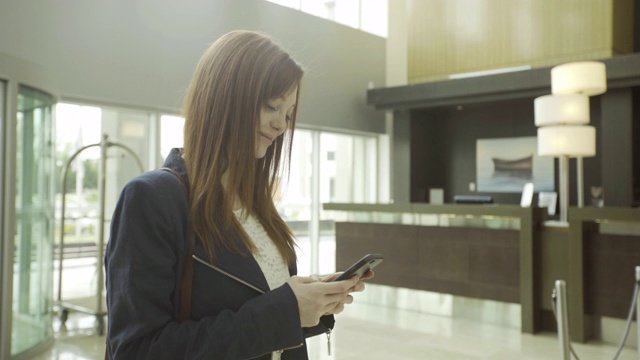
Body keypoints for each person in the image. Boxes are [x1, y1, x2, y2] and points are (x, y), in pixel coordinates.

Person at [104, 30, 373, 359]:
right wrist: (284, 310)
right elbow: (137, 350)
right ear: (225, 96)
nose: (281, 125)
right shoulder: (151, 200)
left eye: (288, 114)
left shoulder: (256, 205)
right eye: (272, 106)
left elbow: (257, 312)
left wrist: (310, 303)